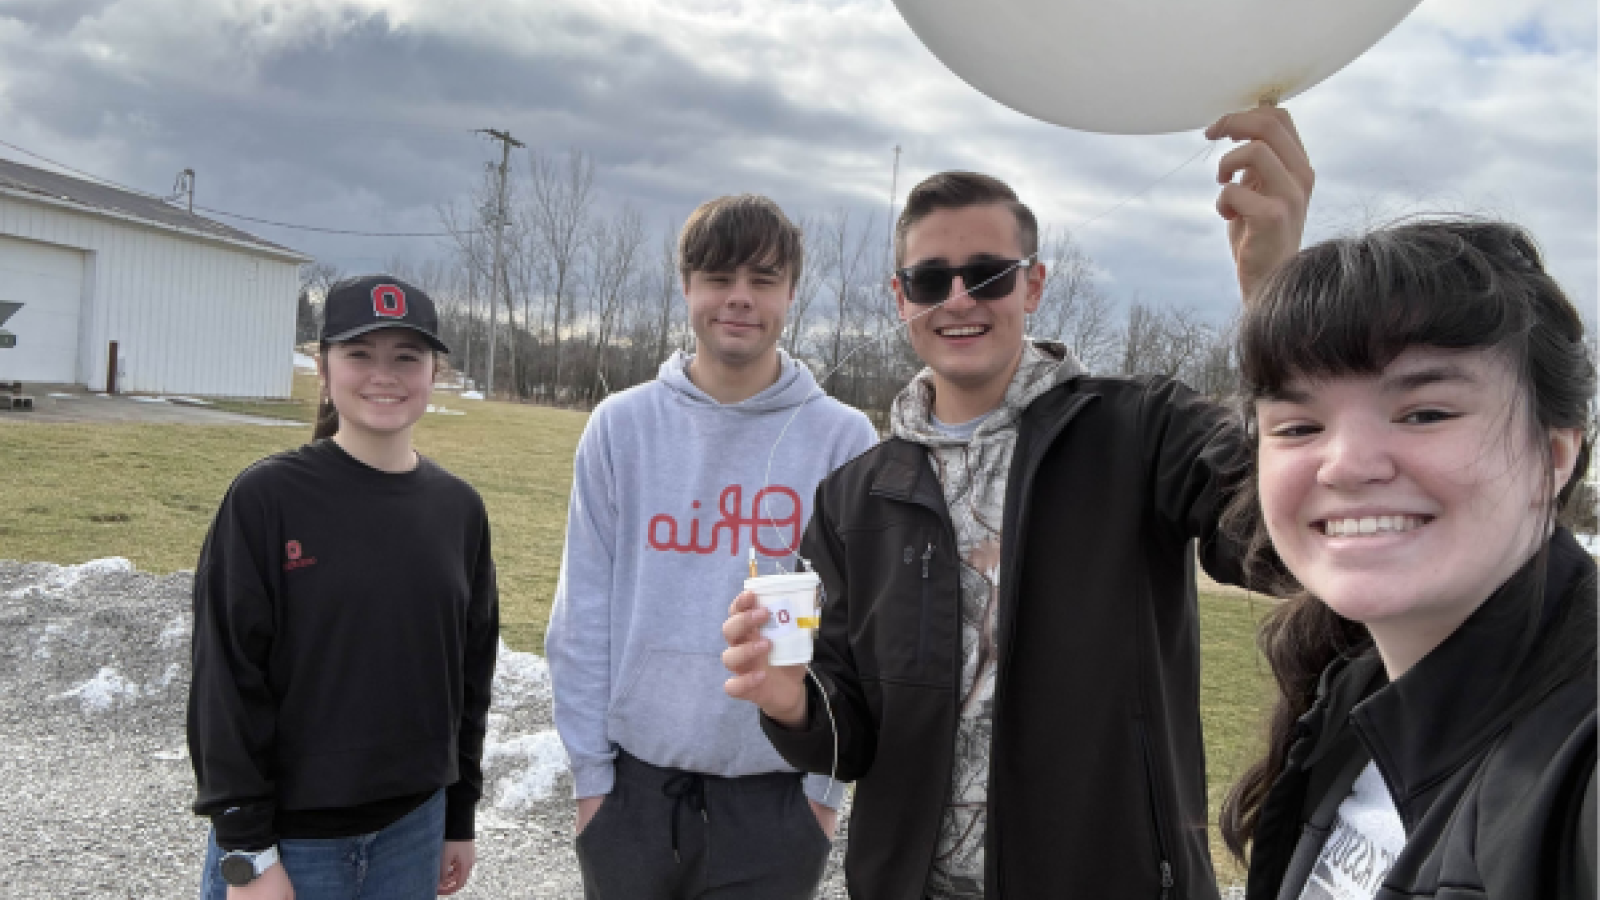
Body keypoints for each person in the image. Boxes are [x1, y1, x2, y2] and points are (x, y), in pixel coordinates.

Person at [720, 106, 1313, 898]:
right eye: (932, 279)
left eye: (988, 273)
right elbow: (850, 739)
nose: (959, 298)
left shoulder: (1140, 430)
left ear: (1033, 283)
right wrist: (788, 701)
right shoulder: (856, 497)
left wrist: (1278, 308)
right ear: (902, 298)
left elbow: (1289, 540)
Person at [1217, 219, 1596, 900]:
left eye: (1425, 413)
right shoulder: (1347, 703)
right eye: (1299, 426)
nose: (1347, 465)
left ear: (1556, 454)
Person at [545, 194, 880, 899]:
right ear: (686, 286)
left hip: (780, 799)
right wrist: (591, 784)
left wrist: (821, 797)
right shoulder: (621, 426)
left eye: (762, 280)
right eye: (718, 278)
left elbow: (859, 636)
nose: (739, 299)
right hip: (633, 796)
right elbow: (582, 615)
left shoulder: (844, 440)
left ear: (791, 292)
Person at [187, 275, 499, 900]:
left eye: (406, 357)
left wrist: (459, 813)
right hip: (292, 846)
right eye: (360, 354)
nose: (384, 374)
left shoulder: (459, 510)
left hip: (413, 832)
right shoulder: (266, 499)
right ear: (324, 369)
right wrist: (246, 850)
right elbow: (225, 680)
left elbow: (468, 680)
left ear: (432, 374)